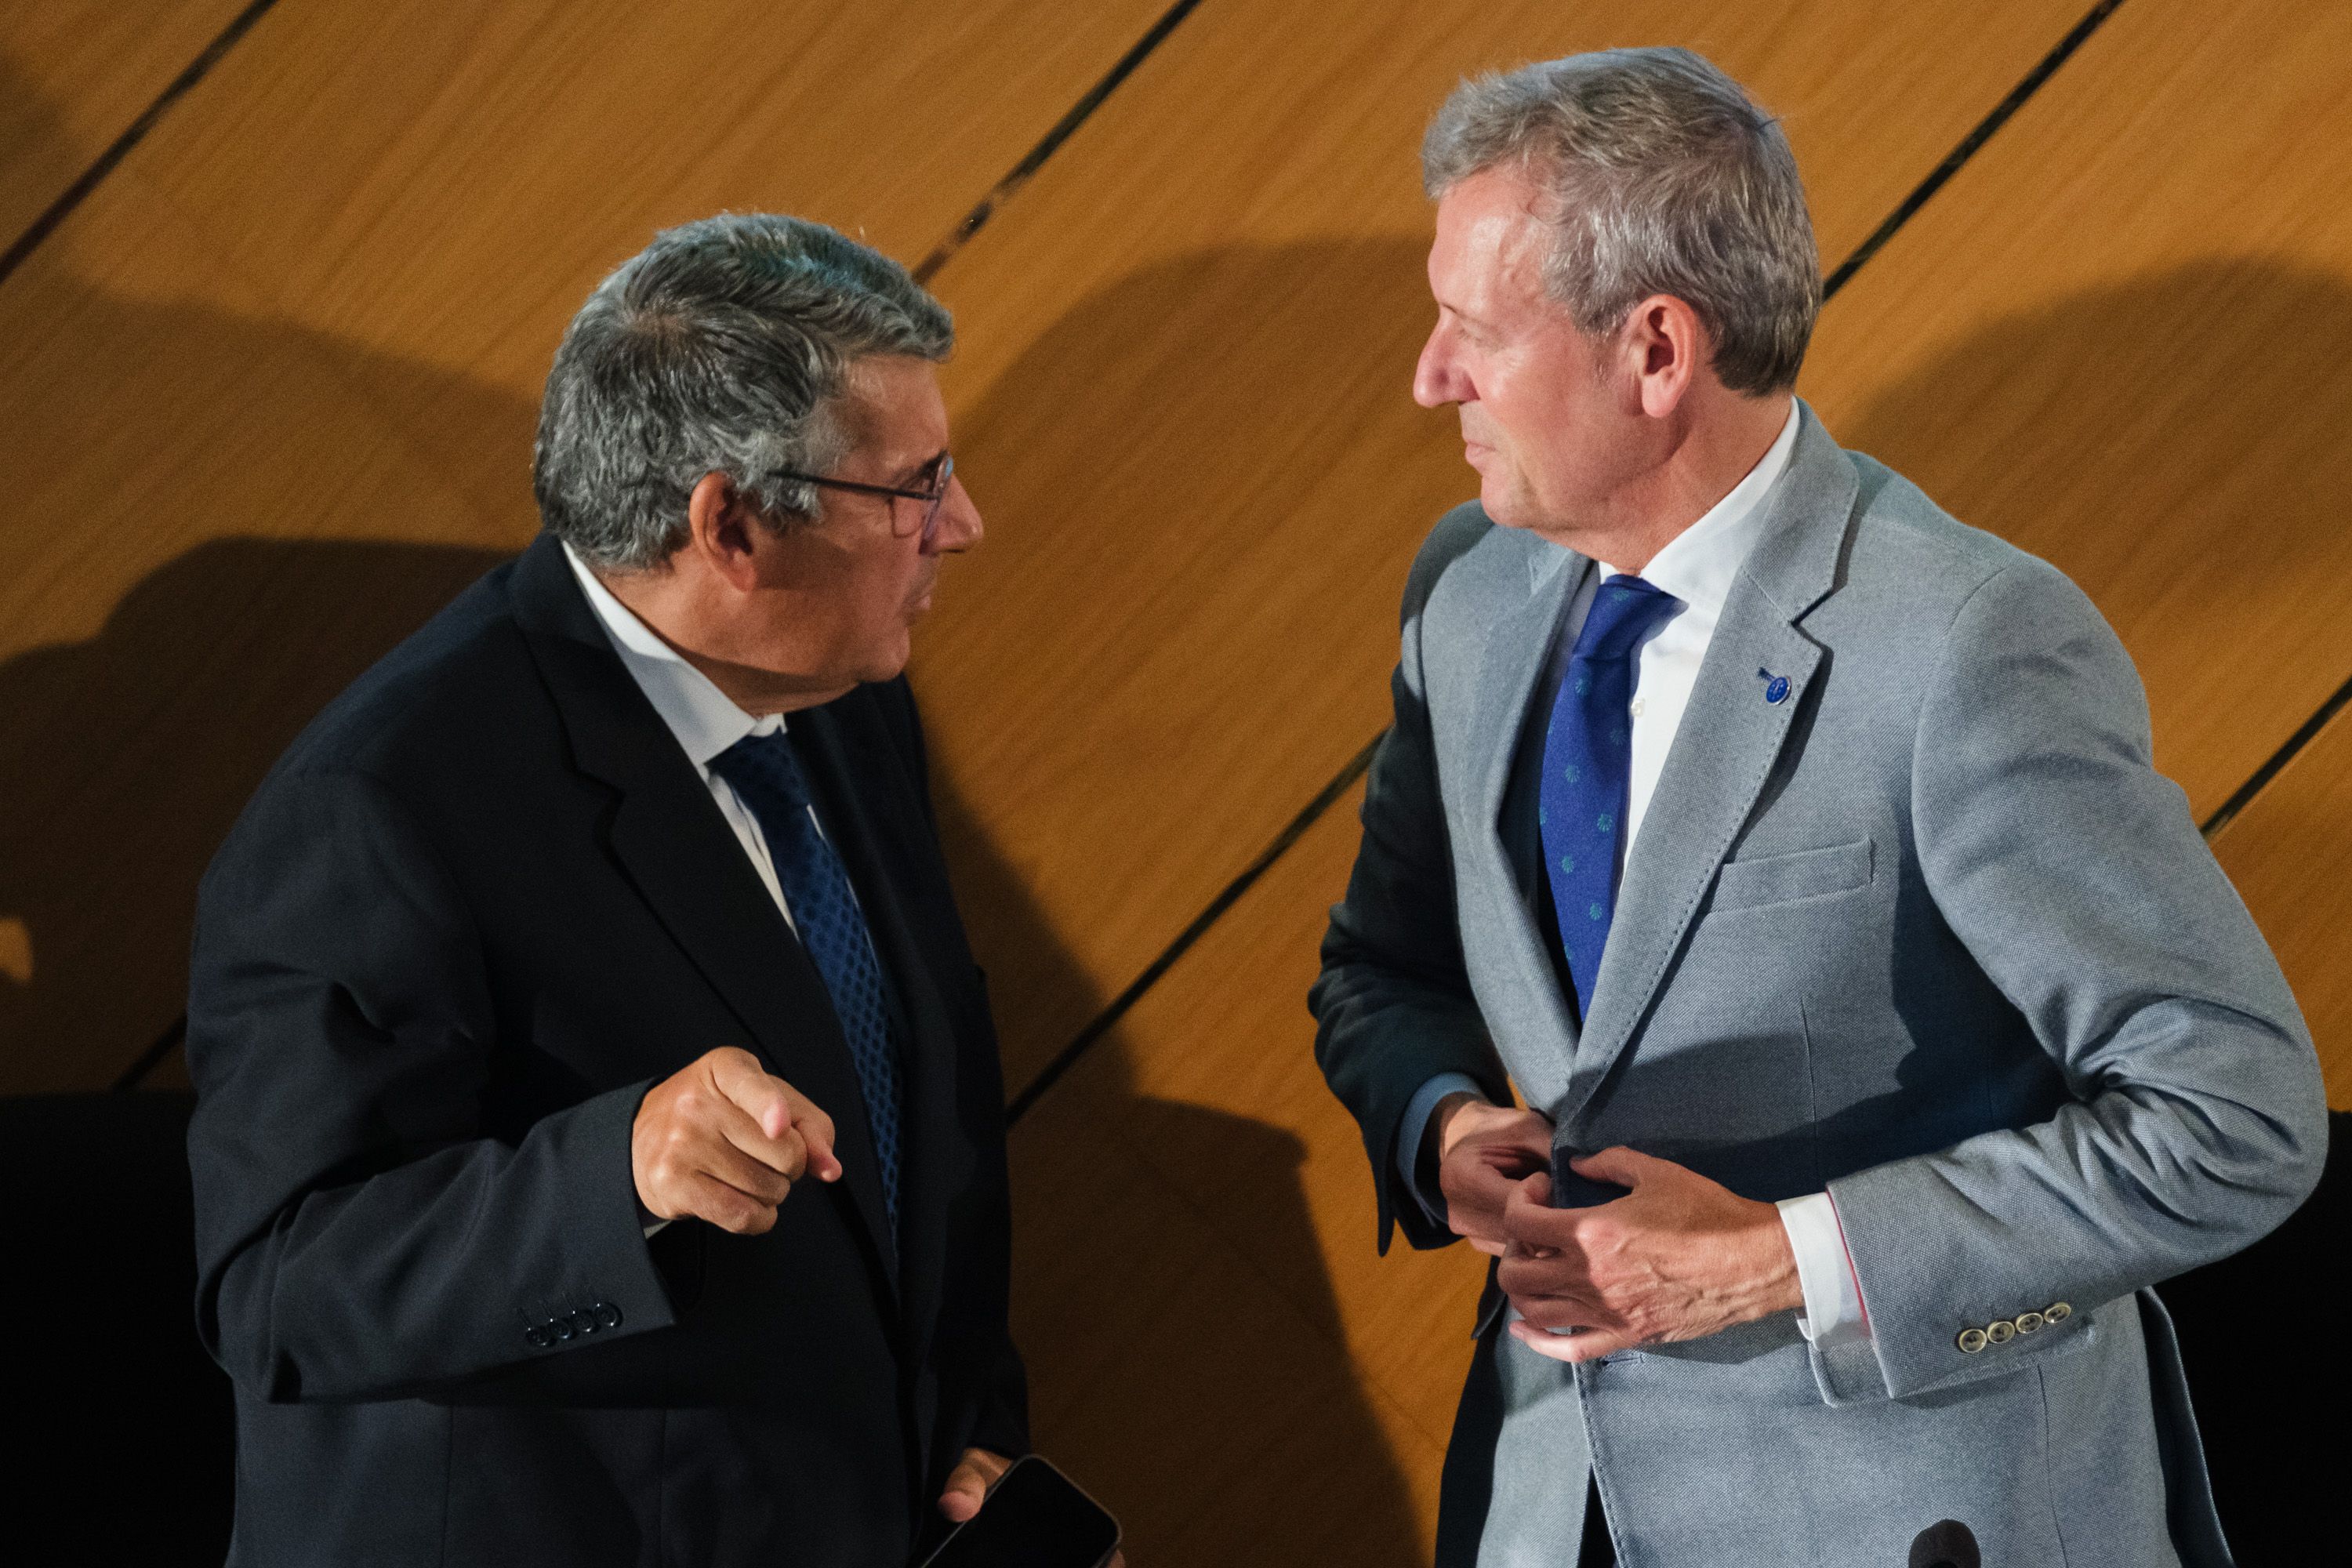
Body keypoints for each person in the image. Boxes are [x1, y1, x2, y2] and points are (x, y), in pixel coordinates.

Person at [1309, 48, 2325, 1568]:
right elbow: (1382, 972)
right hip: (1547, 1506)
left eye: (1476, 330)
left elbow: (2233, 1120)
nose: (1430, 376)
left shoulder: (1967, 645)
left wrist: (1782, 1258)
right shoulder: (1465, 592)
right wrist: (1443, 1122)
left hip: (1912, 1517)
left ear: (1657, 349)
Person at [187, 213, 1026, 1566]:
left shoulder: (844, 695)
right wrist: (615, 1174)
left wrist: (964, 1441)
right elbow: (281, 1290)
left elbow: (920, 1122)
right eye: (914, 486)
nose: (964, 525)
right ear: (733, 525)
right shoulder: (382, 806)